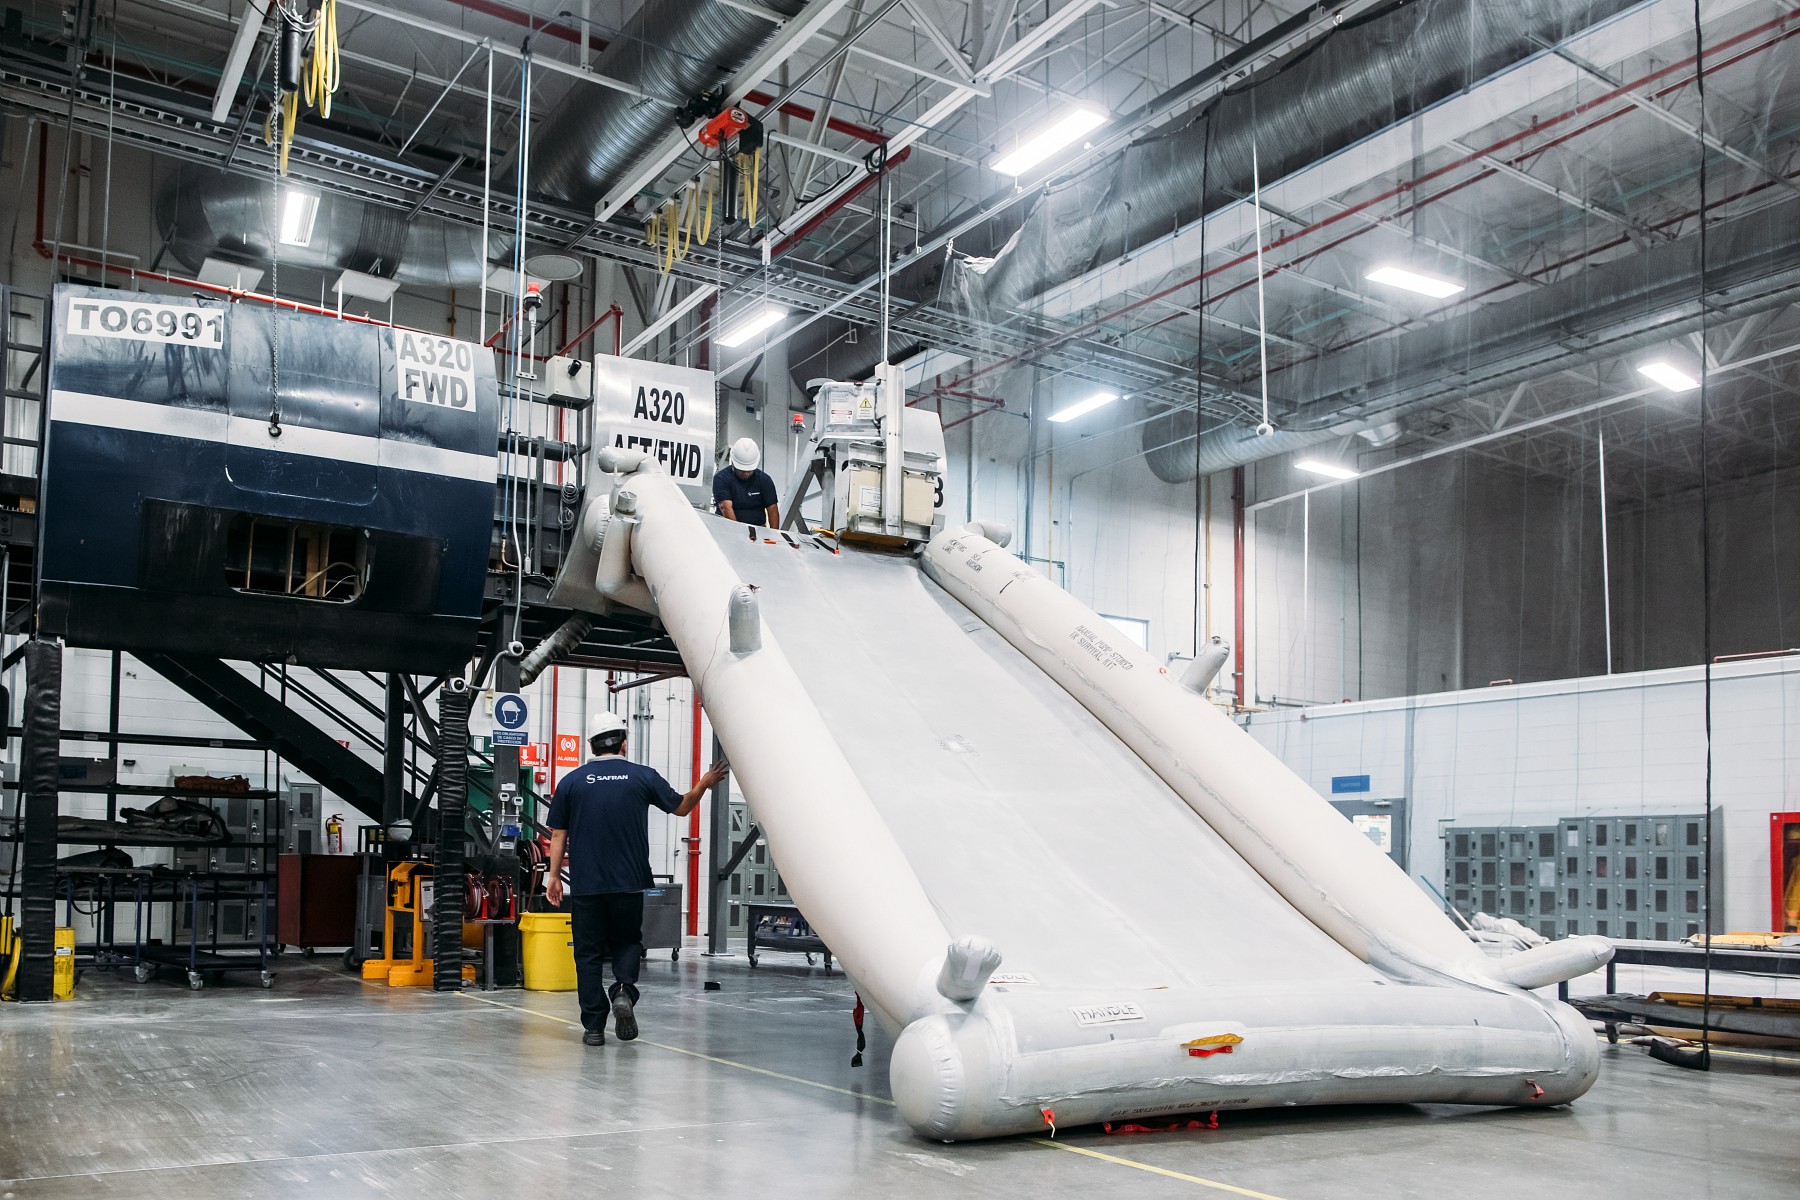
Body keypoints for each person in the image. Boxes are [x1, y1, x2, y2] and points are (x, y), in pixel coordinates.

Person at [545, 712, 727, 1046]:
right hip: (629, 882)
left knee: (587, 956)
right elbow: (682, 807)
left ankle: (595, 1028)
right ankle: (624, 990)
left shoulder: (571, 782)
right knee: (628, 942)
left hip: (586, 885)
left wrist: (553, 877)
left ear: (591, 744)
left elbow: (558, 835)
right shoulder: (642, 776)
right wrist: (703, 784)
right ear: (623, 742)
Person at [712, 437, 780, 527]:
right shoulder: (721, 478)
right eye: (742, 470)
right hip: (727, 528)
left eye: (750, 470)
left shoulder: (764, 480)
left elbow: (772, 509)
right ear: (734, 464)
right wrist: (738, 532)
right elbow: (726, 507)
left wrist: (774, 535)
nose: (746, 474)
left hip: (758, 529)